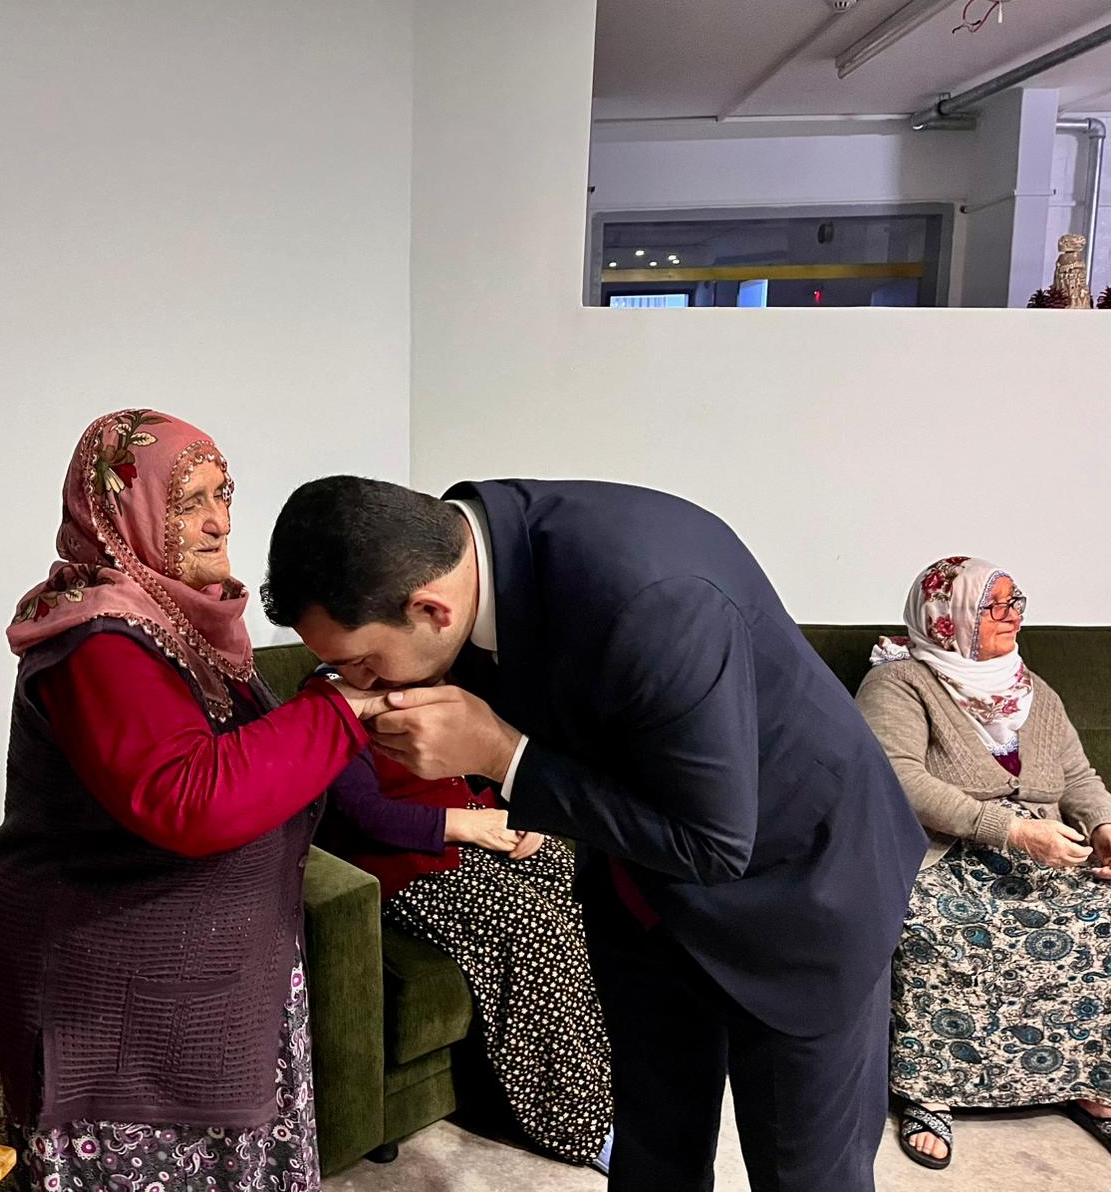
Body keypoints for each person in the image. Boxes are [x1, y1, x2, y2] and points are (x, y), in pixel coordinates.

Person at [260, 476, 928, 1192]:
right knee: (652, 1152)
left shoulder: (654, 599)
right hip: (640, 894)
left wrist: (503, 757)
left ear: (431, 609)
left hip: (797, 891)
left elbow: (712, 842)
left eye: (363, 663)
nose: (359, 684)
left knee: (806, 1172)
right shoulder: (471, 553)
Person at [0, 410, 387, 1192]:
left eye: (223, 493)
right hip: (118, 1011)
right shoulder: (99, 642)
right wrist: (338, 710)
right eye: (188, 501)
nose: (219, 519)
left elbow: (250, 760)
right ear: (120, 513)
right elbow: (188, 800)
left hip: (212, 986)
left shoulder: (186, 626)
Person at [857, 556, 1111, 1169]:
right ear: (947, 618)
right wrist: (1011, 830)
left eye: (1015, 601)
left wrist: (1105, 826)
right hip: (942, 852)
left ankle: (1088, 1080)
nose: (1012, 615)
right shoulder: (899, 683)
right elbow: (896, 777)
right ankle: (932, 1090)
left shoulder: (1031, 688)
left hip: (1044, 849)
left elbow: (1077, 776)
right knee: (949, 927)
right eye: (993, 606)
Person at [312, 707, 614, 1170]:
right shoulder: (331, 707)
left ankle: (613, 1075)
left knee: (579, 880)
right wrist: (465, 825)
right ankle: (576, 1119)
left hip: (470, 821)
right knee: (534, 925)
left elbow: (481, 759)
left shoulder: (424, 688)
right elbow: (363, 814)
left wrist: (521, 812)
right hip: (405, 857)